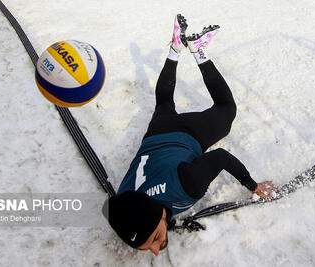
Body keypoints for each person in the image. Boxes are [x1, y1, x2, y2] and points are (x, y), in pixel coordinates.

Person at [103, 14, 276, 256]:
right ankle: (175, 46)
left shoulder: (187, 186)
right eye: (151, 245)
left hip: (185, 134)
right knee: (163, 102)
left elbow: (221, 158)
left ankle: (198, 50)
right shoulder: (125, 202)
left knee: (227, 109)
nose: (155, 250)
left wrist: (253, 185)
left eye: (154, 239)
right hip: (155, 134)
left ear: (156, 215)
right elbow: (116, 211)